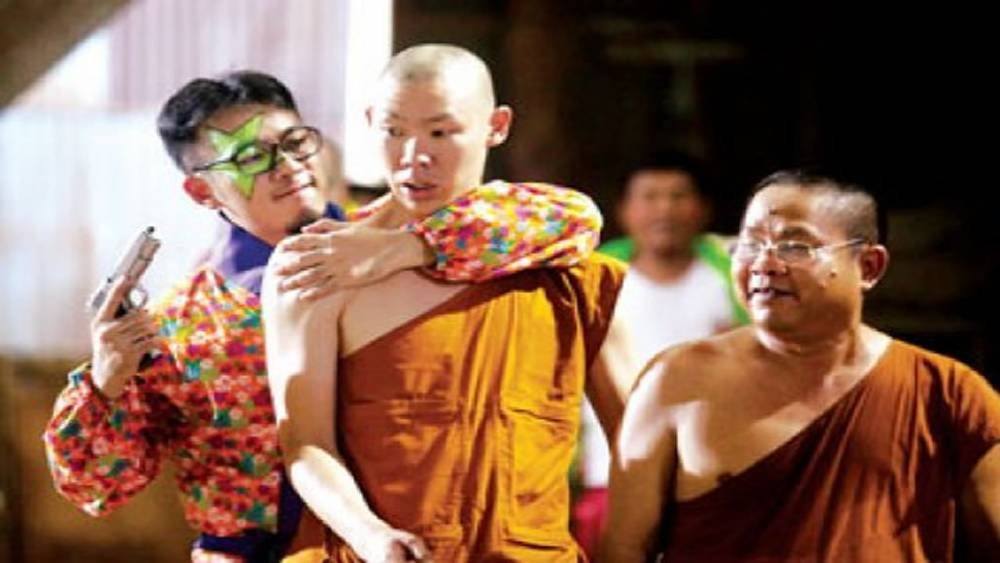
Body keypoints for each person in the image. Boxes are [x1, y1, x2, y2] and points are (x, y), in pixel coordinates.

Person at [42, 69, 604, 562]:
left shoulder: (402, 235)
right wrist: (105, 381)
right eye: (251, 158)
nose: (289, 167)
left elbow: (572, 218)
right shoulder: (180, 328)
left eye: (295, 143)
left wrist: (405, 248)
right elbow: (93, 487)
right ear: (200, 191)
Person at [263, 44, 628, 562]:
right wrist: (369, 536)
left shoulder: (563, 268)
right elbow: (305, 443)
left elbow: (634, 441)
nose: (415, 155)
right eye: (394, 131)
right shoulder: (319, 265)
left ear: (496, 127)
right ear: (370, 123)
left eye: (440, 132)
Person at [602, 170, 1000, 562]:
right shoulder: (677, 381)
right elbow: (624, 548)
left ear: (869, 267)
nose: (764, 264)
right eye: (750, 244)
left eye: (794, 246)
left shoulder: (947, 392)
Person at [574, 152, 747, 556]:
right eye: (650, 197)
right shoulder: (593, 279)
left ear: (703, 209)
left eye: (678, 196)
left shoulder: (735, 279)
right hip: (608, 474)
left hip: (706, 477)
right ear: (624, 210)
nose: (664, 209)